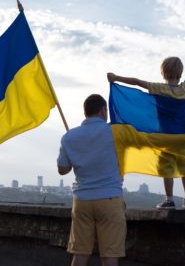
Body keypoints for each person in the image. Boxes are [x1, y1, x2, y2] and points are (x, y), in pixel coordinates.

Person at [107, 54, 185, 209]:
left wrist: (116, 77)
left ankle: (169, 200)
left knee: (166, 166)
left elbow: (137, 82)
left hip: (165, 136)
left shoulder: (159, 88)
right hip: (184, 136)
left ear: (163, 73)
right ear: (180, 74)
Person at [57, 94, 126, 266]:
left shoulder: (69, 137)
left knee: (80, 254)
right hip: (109, 198)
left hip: (82, 201)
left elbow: (62, 169)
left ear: (85, 112)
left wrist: (75, 155)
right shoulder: (115, 132)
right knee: (109, 255)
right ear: (103, 110)